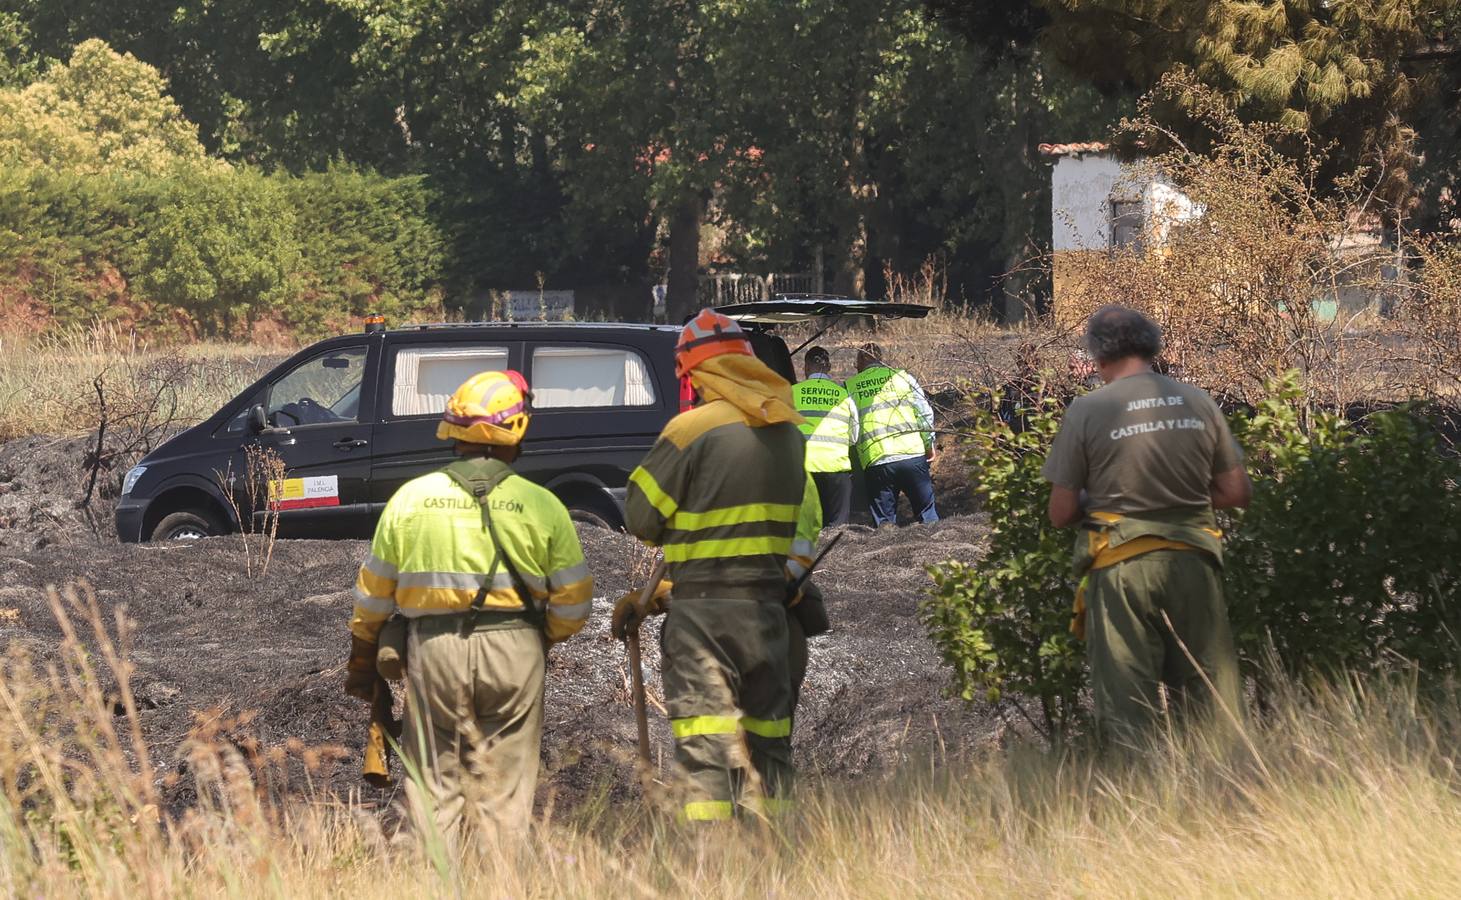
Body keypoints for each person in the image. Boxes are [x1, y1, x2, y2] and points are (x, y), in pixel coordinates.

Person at [344, 370, 593, 844]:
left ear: (453, 430)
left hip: (433, 651)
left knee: (433, 787)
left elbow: (372, 599)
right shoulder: (542, 505)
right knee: (504, 793)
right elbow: (574, 600)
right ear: (517, 429)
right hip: (516, 652)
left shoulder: (409, 501)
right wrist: (541, 636)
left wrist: (364, 654)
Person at [618, 308, 806, 821]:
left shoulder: (692, 429)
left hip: (703, 614)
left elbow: (640, 517)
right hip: (768, 612)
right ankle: (781, 855)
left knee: (707, 750)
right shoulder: (788, 430)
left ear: (691, 372)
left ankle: (712, 865)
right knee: (769, 748)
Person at [1042, 306, 1251, 746]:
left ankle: (1142, 799)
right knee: (1211, 698)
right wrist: (1180, 498)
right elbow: (1235, 493)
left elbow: (1060, 513)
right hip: (1194, 562)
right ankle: (1223, 794)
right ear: (1151, 346)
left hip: (1122, 568)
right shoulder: (1198, 401)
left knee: (1128, 705)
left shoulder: (1087, 409)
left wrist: (1106, 501)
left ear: (1097, 355)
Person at [846, 343, 938, 526]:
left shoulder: (850, 386)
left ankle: (887, 553)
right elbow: (925, 413)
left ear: (860, 361)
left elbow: (850, 427)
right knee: (928, 516)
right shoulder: (903, 377)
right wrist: (929, 444)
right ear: (880, 359)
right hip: (912, 455)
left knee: (885, 524)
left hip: (877, 460)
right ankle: (938, 550)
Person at [791, 346, 858, 526]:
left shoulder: (792, 392)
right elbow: (854, 437)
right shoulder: (844, 395)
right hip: (836, 469)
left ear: (805, 367)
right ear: (829, 367)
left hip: (803, 470)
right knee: (837, 529)